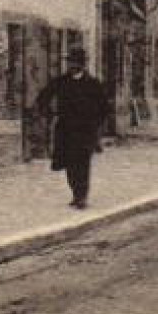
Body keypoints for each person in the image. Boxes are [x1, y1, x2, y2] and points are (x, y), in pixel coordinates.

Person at [34, 46, 109, 209]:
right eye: (70, 63)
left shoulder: (93, 84)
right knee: (69, 164)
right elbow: (44, 96)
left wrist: (96, 126)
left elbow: (104, 107)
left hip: (85, 131)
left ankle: (82, 195)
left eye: (75, 63)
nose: (72, 66)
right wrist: (47, 113)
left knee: (82, 163)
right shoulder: (61, 81)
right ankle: (76, 193)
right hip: (65, 130)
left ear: (82, 65)